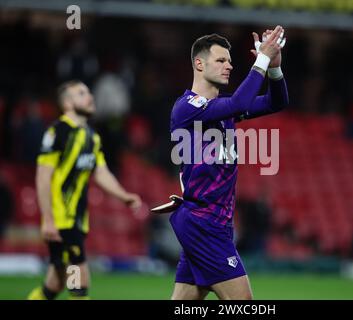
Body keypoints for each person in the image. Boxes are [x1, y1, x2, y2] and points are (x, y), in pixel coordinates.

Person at [166, 26, 288, 300]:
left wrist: (275, 69)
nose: (229, 66)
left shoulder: (221, 108)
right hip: (204, 223)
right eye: (221, 60)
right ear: (199, 63)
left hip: (213, 222)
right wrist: (262, 60)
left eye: (230, 61)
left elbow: (276, 101)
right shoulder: (187, 107)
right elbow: (239, 102)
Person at [28, 80, 142, 300]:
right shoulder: (57, 132)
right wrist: (49, 219)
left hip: (77, 219)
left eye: (89, 92)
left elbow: (101, 173)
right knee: (78, 279)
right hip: (62, 221)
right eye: (82, 93)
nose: (90, 96)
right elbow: (43, 177)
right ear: (68, 103)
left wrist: (123, 195)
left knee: (55, 282)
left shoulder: (91, 136)